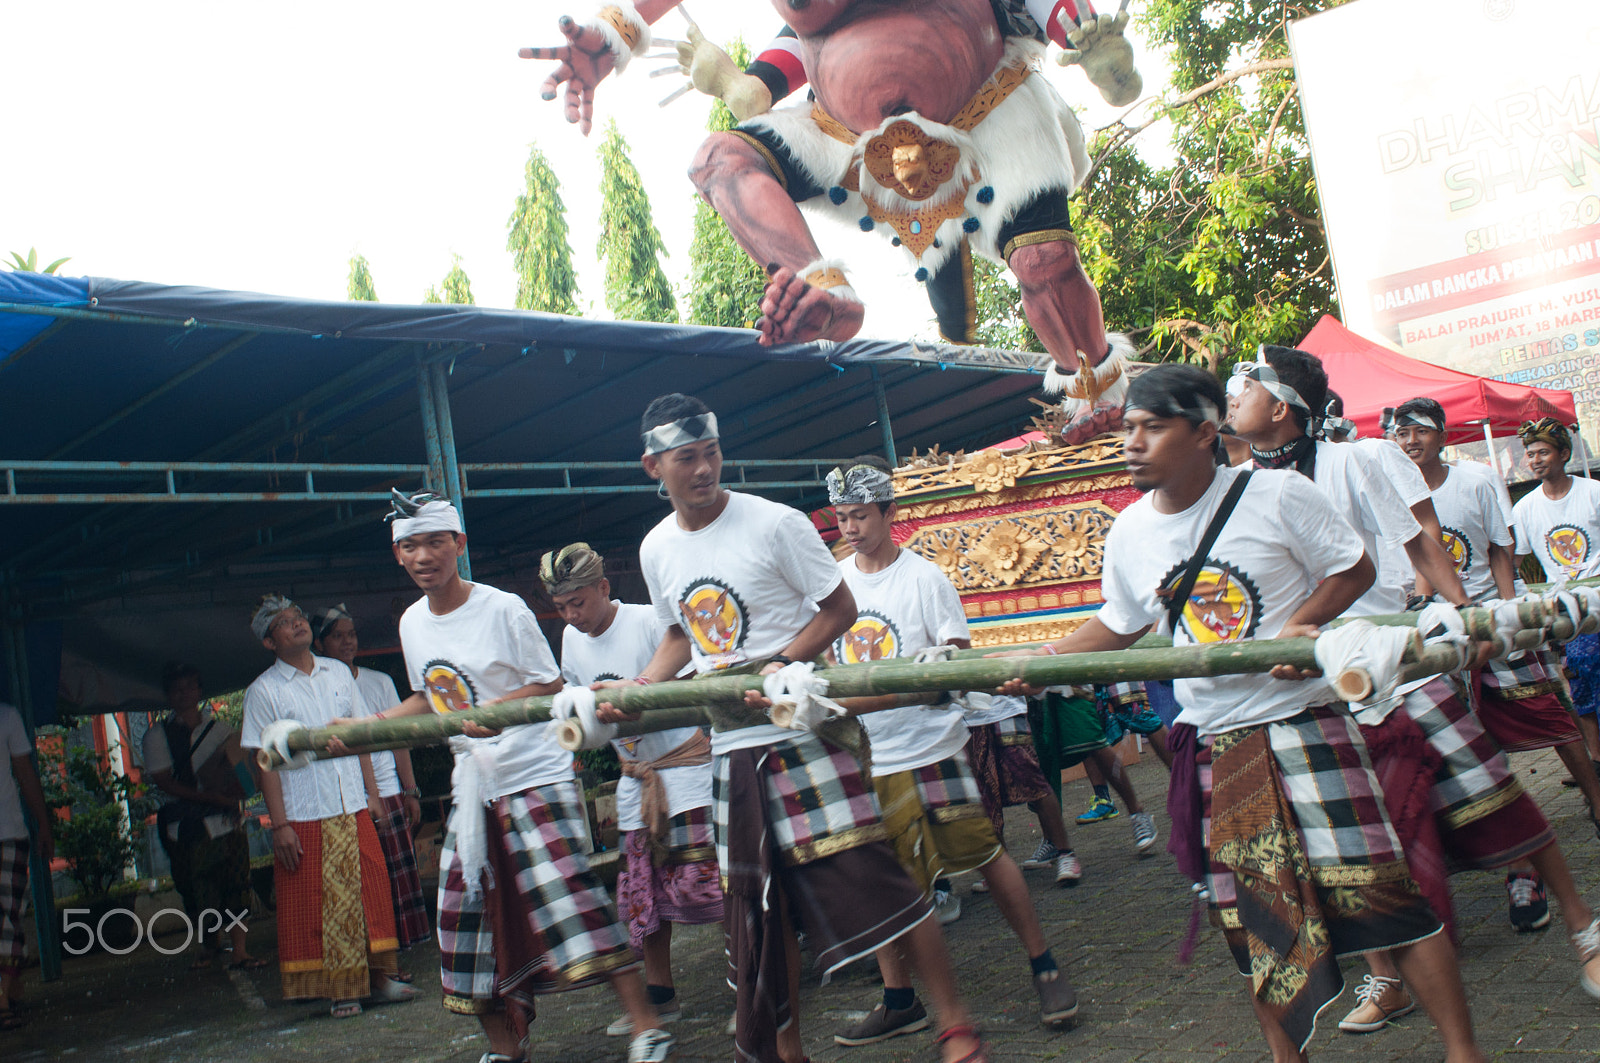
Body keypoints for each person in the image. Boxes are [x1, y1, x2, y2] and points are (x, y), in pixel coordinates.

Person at [1001, 363, 1489, 1062]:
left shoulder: (1279, 493)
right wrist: (1042, 659)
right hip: (1220, 746)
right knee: (1257, 928)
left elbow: (1352, 567)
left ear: (1204, 432)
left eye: (1153, 426)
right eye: (1128, 427)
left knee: (1386, 901)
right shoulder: (1131, 531)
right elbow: (1119, 623)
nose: (1132, 442)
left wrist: (1304, 623)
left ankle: (1464, 1052)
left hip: (1306, 721)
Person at [526, 1, 1144, 439]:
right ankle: (822, 292)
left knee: (1044, 263)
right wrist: (610, 40)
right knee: (721, 158)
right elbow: (769, 66)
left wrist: (1089, 42)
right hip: (843, 133)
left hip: (989, 108)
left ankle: (1094, 387)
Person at [1230, 352, 1600, 1028]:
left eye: (1243, 385)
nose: (1231, 397)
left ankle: (1584, 927)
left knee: (1491, 793)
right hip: (1319, 686)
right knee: (1354, 844)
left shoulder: (1357, 460)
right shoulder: (1239, 486)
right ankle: (1386, 979)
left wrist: (1466, 618)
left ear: (1281, 403)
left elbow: (1421, 542)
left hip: (1401, 659)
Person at [620, 393, 986, 1063]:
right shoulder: (656, 548)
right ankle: (788, 1051)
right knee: (761, 912)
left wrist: (784, 662)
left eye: (711, 453)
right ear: (653, 466)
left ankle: (955, 1024)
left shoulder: (776, 523)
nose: (703, 469)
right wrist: (643, 685)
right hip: (729, 750)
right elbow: (682, 633)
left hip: (800, 732)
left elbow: (840, 607)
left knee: (880, 880)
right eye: (685, 459)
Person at [334, 492, 672, 1063]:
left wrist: (491, 716)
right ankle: (506, 1048)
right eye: (410, 546)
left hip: (533, 771)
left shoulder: (502, 607)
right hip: (473, 783)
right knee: (461, 922)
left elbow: (546, 685)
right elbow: (426, 696)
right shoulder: (412, 621)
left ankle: (646, 1026)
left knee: (569, 897)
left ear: (458, 545)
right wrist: (370, 725)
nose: (424, 556)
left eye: (435, 542)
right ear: (398, 555)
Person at [824, 455, 1078, 1045]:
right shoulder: (838, 586)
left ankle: (1044, 964)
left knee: (986, 856)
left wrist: (875, 701)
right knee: (881, 878)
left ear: (891, 512)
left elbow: (955, 662)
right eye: (842, 518)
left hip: (931, 745)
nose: (851, 528)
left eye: (860, 515)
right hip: (870, 756)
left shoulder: (924, 578)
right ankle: (898, 998)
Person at [1396, 401, 1600, 851]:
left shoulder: (1474, 482)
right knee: (1468, 735)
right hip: (1436, 629)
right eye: (1402, 433)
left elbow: (1500, 548)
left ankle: (1596, 798)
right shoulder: (1390, 490)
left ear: (1443, 436)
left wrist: (1510, 612)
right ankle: (1504, 846)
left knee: (1551, 713)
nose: (1411, 441)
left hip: (1490, 616)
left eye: (1421, 431)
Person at [541, 542, 723, 1040]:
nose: (572, 614)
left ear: (604, 587)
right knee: (645, 894)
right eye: (562, 607)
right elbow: (580, 704)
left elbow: (694, 679)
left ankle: (751, 982)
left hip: (684, 770)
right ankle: (659, 995)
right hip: (634, 777)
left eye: (579, 601)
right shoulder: (570, 641)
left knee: (715, 886)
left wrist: (635, 692)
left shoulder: (649, 622)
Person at [239, 595, 414, 1019]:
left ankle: (377, 978)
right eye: (283, 622)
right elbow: (265, 764)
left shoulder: (337, 672)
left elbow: (361, 738)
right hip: (304, 810)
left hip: (351, 800)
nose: (296, 624)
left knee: (368, 891)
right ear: (269, 641)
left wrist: (371, 795)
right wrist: (279, 825)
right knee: (319, 901)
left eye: (298, 617)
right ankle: (340, 991)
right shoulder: (263, 691)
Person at [312, 606, 431, 961]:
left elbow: (399, 739)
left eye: (351, 634)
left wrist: (409, 790)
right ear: (320, 643)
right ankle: (377, 955)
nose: (347, 642)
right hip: (348, 795)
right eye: (337, 635)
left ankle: (400, 949)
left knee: (396, 875)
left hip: (387, 789)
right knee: (366, 879)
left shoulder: (378, 682)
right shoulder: (320, 686)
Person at [141, 662, 260, 971]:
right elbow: (165, 782)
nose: (184, 694)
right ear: (168, 694)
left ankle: (241, 950)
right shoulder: (157, 736)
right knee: (194, 887)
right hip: (186, 825)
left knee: (236, 882)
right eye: (177, 689)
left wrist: (233, 798)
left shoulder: (221, 730)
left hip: (226, 818)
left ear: (199, 690)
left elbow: (241, 773)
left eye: (190, 687)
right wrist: (212, 797)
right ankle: (209, 944)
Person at [1513, 417, 1600, 788]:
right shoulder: (1526, 509)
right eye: (1530, 454)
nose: (1535, 460)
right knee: (1577, 678)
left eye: (1543, 452)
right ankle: (1595, 761)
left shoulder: (1593, 492)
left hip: (1598, 597)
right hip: (1566, 611)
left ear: (1564, 454)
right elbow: (1514, 561)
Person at [959, 692, 1082, 887]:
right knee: (984, 792)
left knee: (1033, 780)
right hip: (970, 716)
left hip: (1006, 708)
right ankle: (1000, 866)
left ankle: (1065, 853)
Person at [0, 701, 50, 1032]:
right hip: (10, 833)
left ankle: (6, 996)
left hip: (8, 833)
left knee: (8, 919)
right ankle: (4, 1000)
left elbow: (25, 772)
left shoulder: (6, 716)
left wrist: (43, 823)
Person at [1073, 682, 1171, 833]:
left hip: (1115, 665)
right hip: (1084, 669)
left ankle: (1182, 783)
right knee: (1090, 727)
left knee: (1142, 715)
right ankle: (1103, 800)